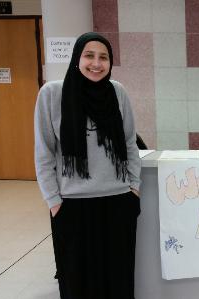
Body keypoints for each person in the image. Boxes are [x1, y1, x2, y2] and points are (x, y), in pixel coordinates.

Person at [34, 32, 141, 299]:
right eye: (89, 56)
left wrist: (133, 188)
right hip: (71, 204)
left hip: (117, 201)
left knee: (118, 277)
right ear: (76, 59)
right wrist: (53, 201)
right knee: (75, 279)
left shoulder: (117, 92)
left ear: (110, 62)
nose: (96, 63)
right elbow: (44, 152)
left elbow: (130, 144)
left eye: (103, 57)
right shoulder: (52, 94)